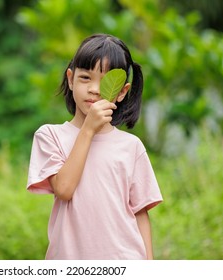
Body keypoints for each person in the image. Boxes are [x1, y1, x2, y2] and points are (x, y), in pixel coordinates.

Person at [26, 33, 163, 260]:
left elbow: (140, 212)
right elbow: (64, 189)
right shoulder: (50, 136)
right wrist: (88, 130)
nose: (94, 89)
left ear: (121, 92)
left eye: (106, 81)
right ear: (70, 79)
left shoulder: (132, 147)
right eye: (86, 78)